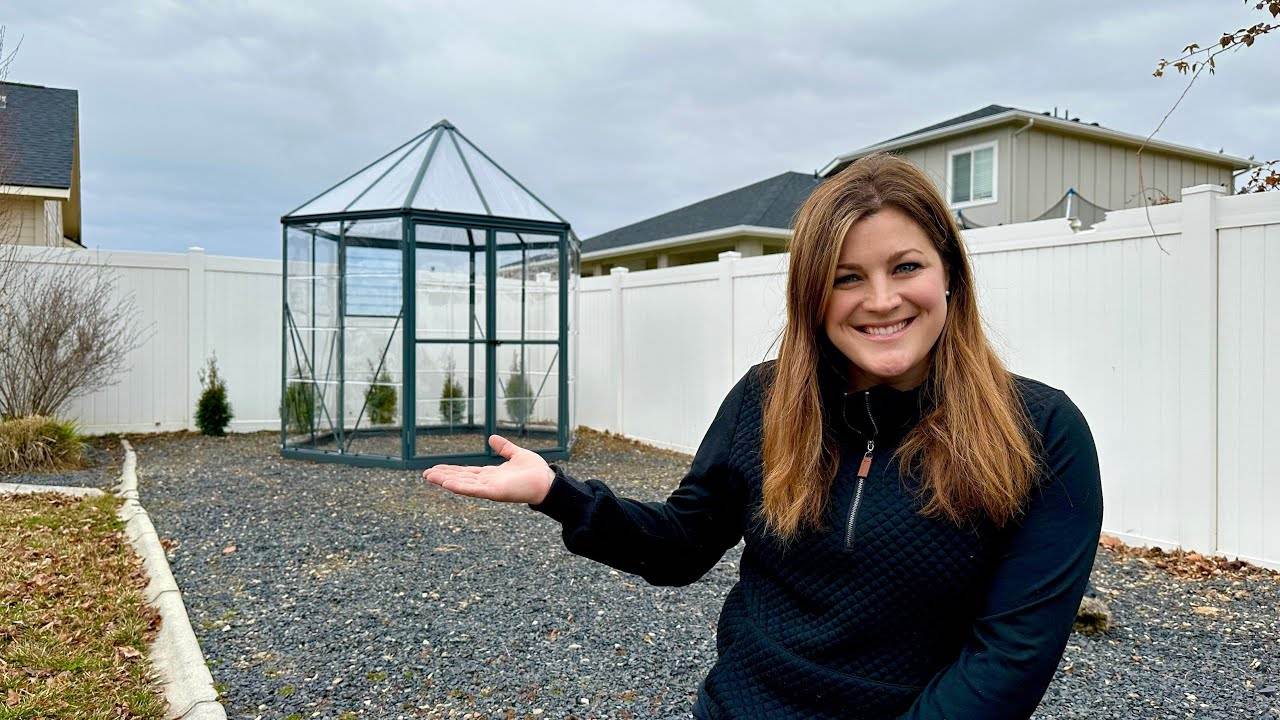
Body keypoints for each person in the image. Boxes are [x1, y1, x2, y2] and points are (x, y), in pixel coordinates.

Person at [423, 153, 1104, 720]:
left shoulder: (1040, 432)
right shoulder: (766, 399)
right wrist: (560, 496)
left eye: (905, 267)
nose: (881, 299)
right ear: (812, 294)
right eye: (846, 278)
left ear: (950, 272)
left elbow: (1009, 660)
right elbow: (682, 545)